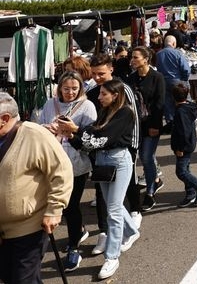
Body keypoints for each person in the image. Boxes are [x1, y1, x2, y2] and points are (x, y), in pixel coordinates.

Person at [59, 79, 140, 280]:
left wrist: (76, 131)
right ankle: (131, 231)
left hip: (119, 160)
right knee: (114, 205)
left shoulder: (125, 113)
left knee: (112, 209)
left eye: (104, 94)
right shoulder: (105, 111)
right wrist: (70, 135)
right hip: (102, 162)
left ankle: (112, 256)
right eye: (100, 93)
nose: (99, 97)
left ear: (115, 95)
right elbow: (91, 140)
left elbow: (103, 138)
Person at [0, 92, 73, 284]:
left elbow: (61, 171)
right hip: (3, 231)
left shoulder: (33, 134)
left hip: (29, 227)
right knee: (10, 278)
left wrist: (55, 209)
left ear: (4, 119)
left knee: (22, 281)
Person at [38, 71, 97, 272]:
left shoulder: (87, 106)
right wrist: (48, 129)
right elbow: (38, 129)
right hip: (51, 162)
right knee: (51, 205)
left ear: (80, 88)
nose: (70, 92)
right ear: (59, 88)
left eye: (74, 88)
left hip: (76, 164)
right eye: (66, 88)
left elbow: (91, 138)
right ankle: (77, 232)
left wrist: (73, 130)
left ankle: (74, 247)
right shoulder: (49, 104)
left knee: (70, 206)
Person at [86, 53, 141, 255]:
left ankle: (113, 252)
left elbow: (132, 119)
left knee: (117, 201)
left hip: (122, 150)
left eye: (100, 73)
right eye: (93, 74)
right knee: (106, 198)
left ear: (111, 68)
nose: (97, 77)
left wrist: (134, 147)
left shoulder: (123, 89)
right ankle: (105, 232)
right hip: (100, 152)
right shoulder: (92, 91)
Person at [126, 46, 166, 211]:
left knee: (147, 156)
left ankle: (150, 192)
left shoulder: (157, 77)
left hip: (151, 124)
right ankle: (155, 180)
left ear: (145, 59)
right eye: (132, 57)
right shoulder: (131, 78)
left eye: (136, 57)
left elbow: (159, 103)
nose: (133, 60)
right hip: (135, 126)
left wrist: (155, 126)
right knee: (140, 157)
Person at [170, 83, 197, 208]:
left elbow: (183, 132)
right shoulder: (188, 108)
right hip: (189, 144)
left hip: (183, 147)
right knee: (186, 169)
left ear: (173, 97)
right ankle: (190, 193)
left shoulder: (181, 112)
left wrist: (180, 148)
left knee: (181, 172)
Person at [155, 35, 191, 126]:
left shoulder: (158, 54)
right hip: (177, 80)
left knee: (168, 104)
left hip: (164, 82)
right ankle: (188, 123)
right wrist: (184, 80)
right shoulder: (177, 53)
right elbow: (186, 69)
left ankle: (171, 124)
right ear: (174, 43)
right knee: (184, 103)